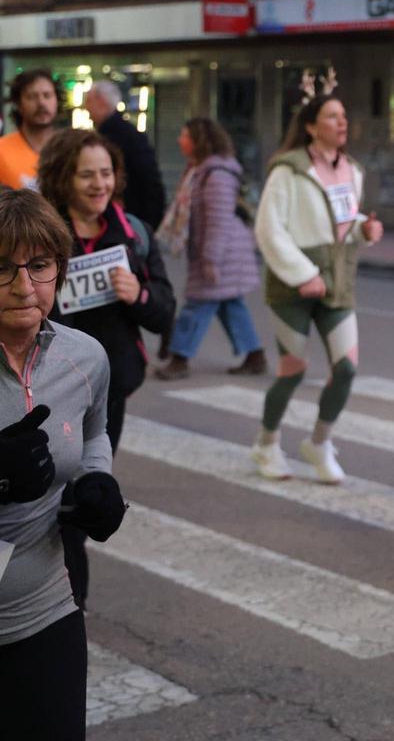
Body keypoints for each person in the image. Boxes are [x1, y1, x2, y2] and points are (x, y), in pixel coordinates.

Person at [0, 189, 125, 741]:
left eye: (39, 265)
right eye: (2, 268)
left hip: (45, 610)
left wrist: (97, 481)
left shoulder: (85, 357)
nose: (23, 286)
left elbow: (94, 430)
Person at [38, 129, 174, 611]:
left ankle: (65, 600)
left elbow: (164, 312)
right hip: (41, 389)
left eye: (105, 173)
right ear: (62, 178)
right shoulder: (43, 233)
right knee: (46, 495)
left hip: (105, 391)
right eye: (86, 174)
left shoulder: (134, 232)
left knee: (82, 492)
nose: (99, 184)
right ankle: (59, 600)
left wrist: (136, 294)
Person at [250, 92, 384, 484]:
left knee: (346, 368)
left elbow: (341, 221)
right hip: (292, 286)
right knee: (293, 369)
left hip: (338, 282)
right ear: (311, 126)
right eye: (331, 116)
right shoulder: (288, 170)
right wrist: (302, 273)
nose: (341, 123)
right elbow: (268, 228)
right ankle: (267, 443)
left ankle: (320, 443)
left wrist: (364, 230)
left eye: (343, 116)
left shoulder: (353, 170)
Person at [155, 118, 264, 380]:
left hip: (222, 253)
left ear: (198, 141)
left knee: (197, 305)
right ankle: (255, 355)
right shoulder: (200, 170)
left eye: (184, 135)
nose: (180, 140)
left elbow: (217, 221)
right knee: (230, 305)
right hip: (220, 250)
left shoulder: (216, 175)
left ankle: (179, 358)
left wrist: (210, 260)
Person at [84, 81, 167, 230]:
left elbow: (149, 183)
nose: (86, 108)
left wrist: (146, 228)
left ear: (101, 102)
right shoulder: (121, 133)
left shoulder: (122, 136)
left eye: (88, 101)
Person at [0, 69, 62, 190]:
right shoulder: (2, 150)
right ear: (18, 104)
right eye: (32, 97)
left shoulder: (71, 149)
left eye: (47, 95)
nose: (41, 103)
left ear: (57, 101)